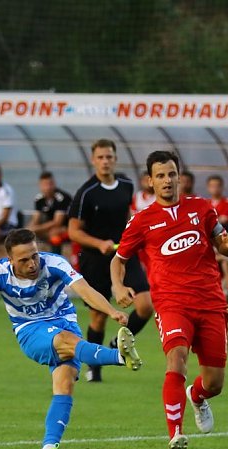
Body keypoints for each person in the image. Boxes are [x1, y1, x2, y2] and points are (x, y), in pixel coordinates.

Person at [0, 228, 143, 449]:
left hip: (65, 321)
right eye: (24, 260)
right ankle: (120, 356)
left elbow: (86, 290)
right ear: (10, 260)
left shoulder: (54, 263)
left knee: (65, 382)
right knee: (66, 341)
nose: (32, 263)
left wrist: (112, 312)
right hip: (30, 330)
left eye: (35, 256)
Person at [111, 151, 228, 449]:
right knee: (176, 357)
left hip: (210, 302)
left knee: (215, 382)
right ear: (150, 181)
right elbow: (119, 259)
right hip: (171, 303)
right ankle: (176, 434)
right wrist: (118, 284)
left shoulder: (202, 208)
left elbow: (222, 242)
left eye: (171, 174)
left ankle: (197, 395)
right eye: (160, 176)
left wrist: (227, 245)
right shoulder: (141, 221)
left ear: (179, 177)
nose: (167, 181)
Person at [68, 139, 154, 383]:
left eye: (109, 157)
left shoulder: (126, 184)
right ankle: (94, 366)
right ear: (93, 160)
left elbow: (126, 215)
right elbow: (74, 231)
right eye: (101, 157)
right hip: (95, 260)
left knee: (145, 305)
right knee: (99, 317)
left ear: (115, 159)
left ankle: (118, 343)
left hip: (125, 255)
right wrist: (99, 243)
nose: (105, 161)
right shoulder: (86, 193)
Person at [27, 171, 71, 254]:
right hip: (50, 228)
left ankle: (57, 260)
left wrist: (37, 228)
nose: (48, 187)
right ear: (40, 185)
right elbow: (35, 218)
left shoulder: (61, 198)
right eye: (45, 184)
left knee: (54, 233)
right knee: (28, 233)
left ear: (54, 184)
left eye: (50, 184)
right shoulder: (39, 199)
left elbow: (57, 222)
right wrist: (29, 228)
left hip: (67, 228)